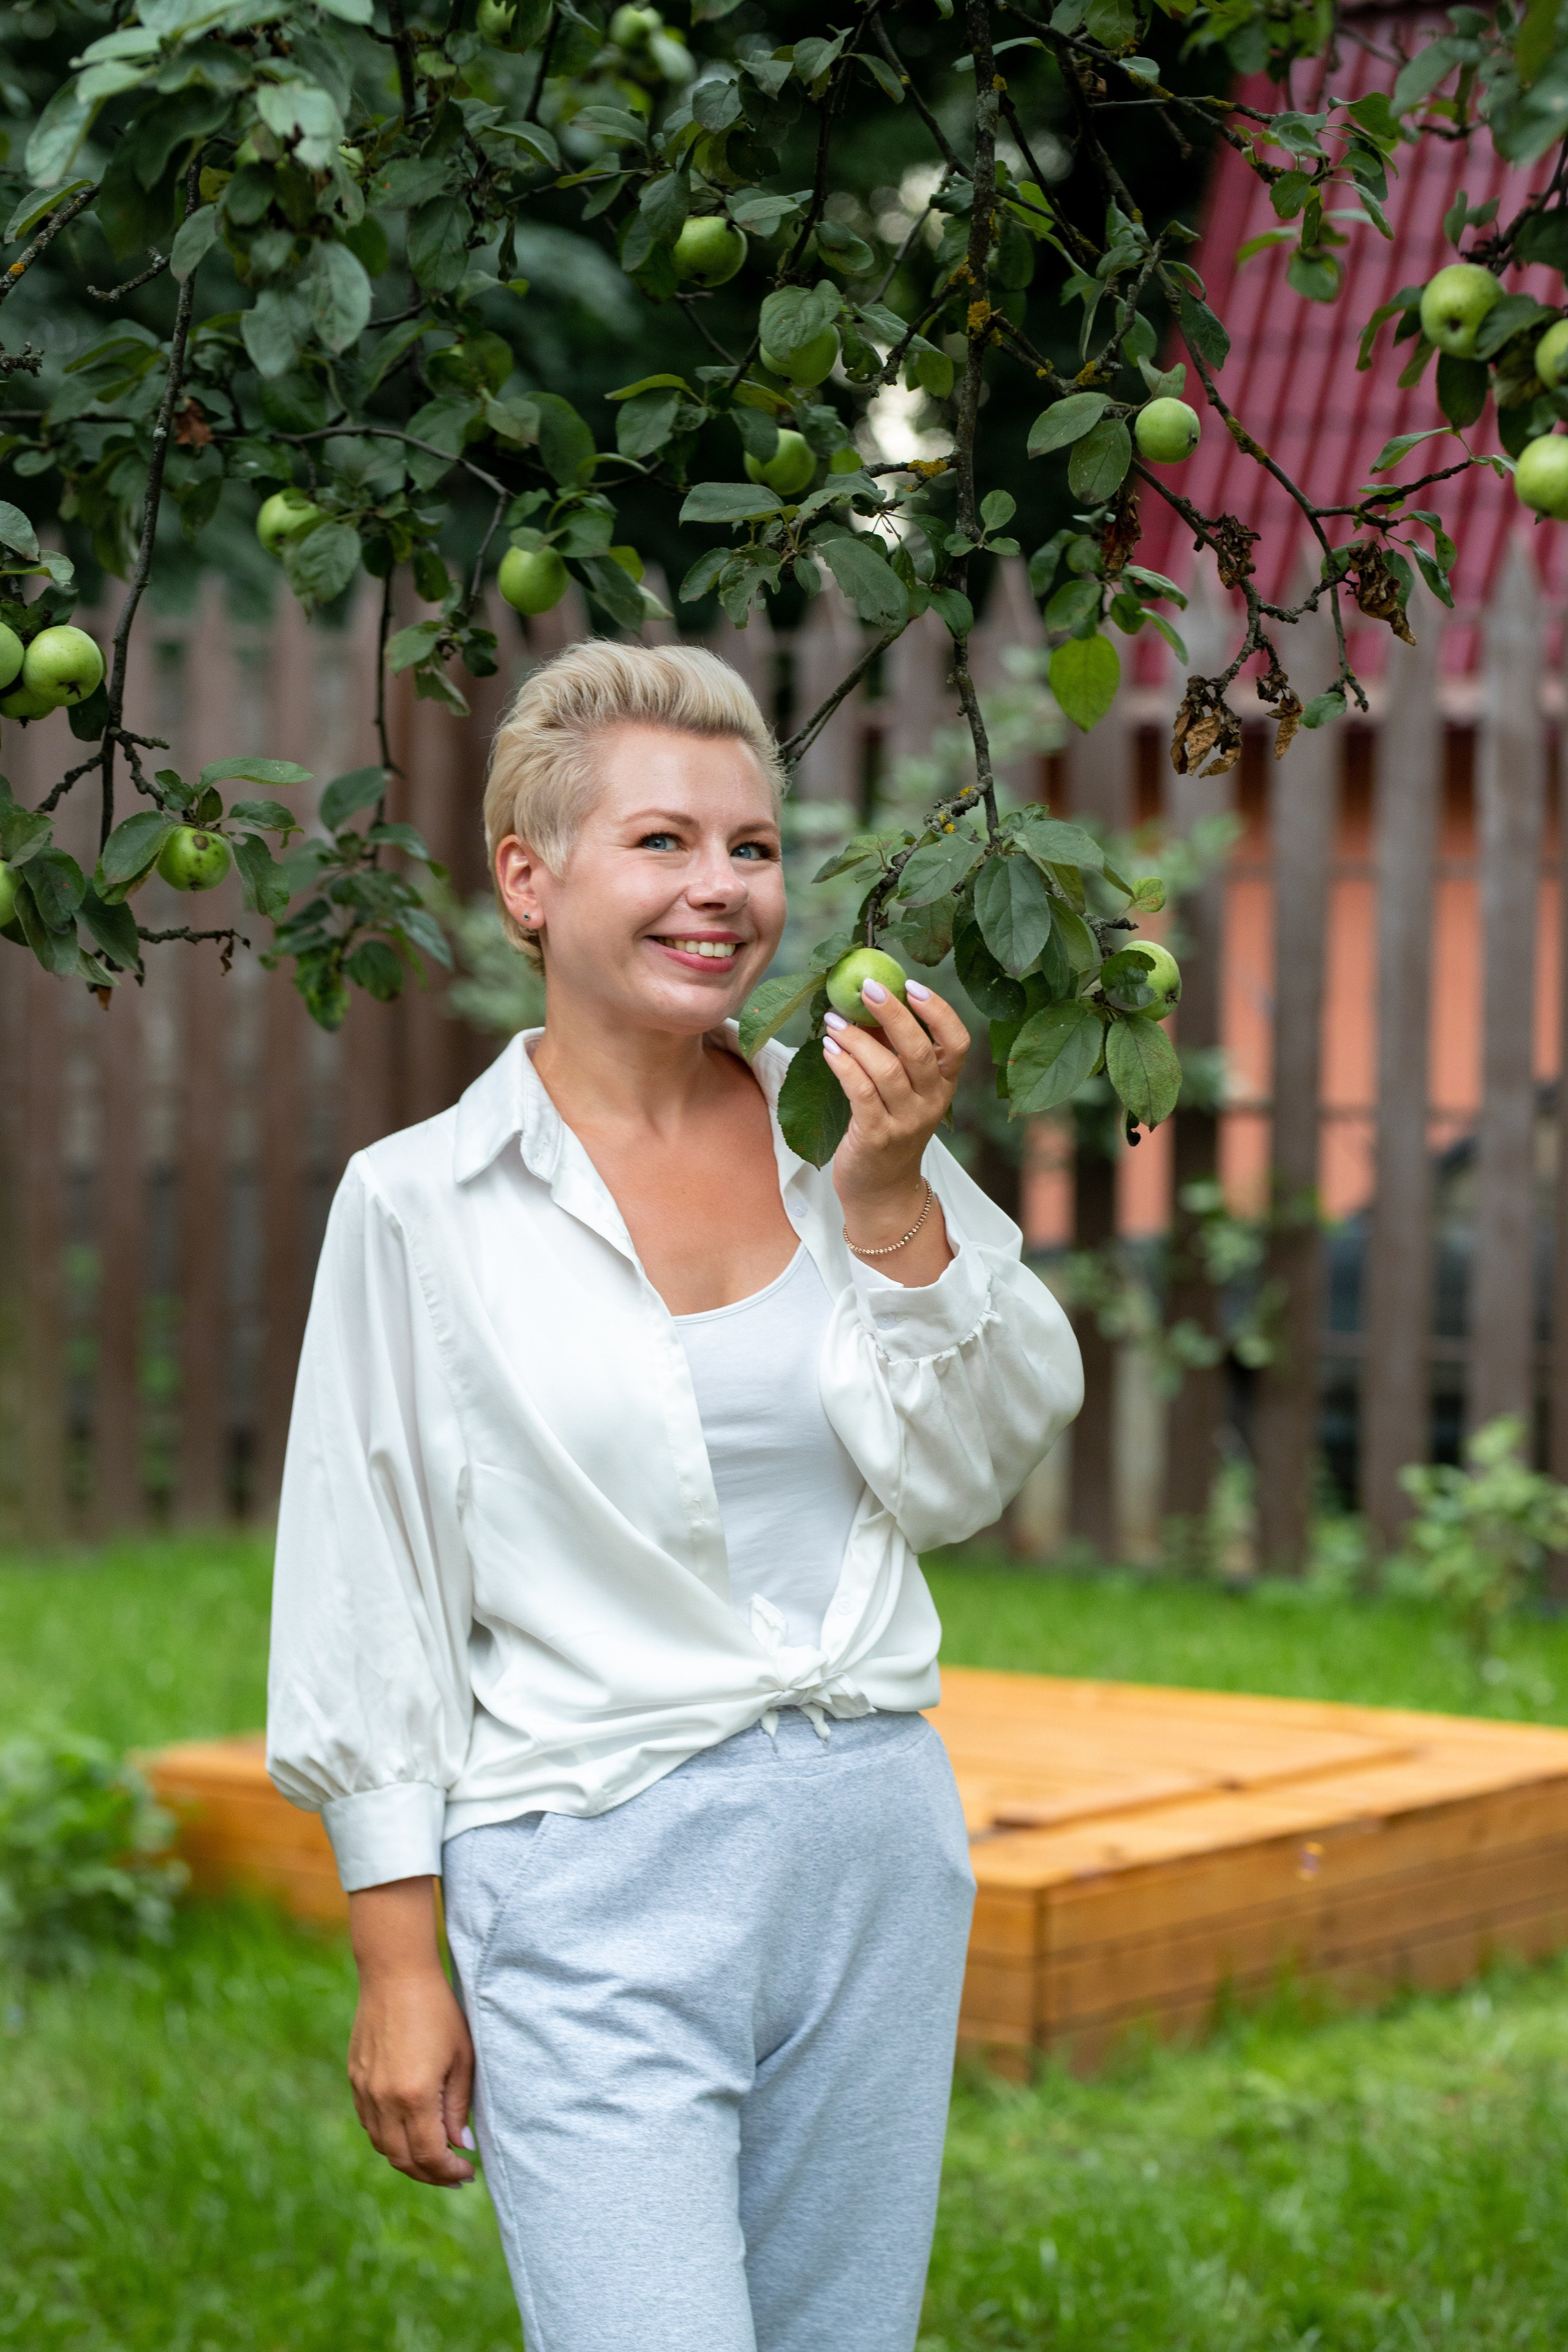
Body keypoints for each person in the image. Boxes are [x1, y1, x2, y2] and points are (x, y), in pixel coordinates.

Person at [267, 639, 1083, 2352]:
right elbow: (367, 1588)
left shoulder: (846, 1139)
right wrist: (400, 1963)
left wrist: (891, 1206)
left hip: (872, 1843)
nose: (722, 889)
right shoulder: (421, 1203)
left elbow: (971, 1472)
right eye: (663, 842)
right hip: (590, 1864)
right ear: (529, 878)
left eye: (753, 847)